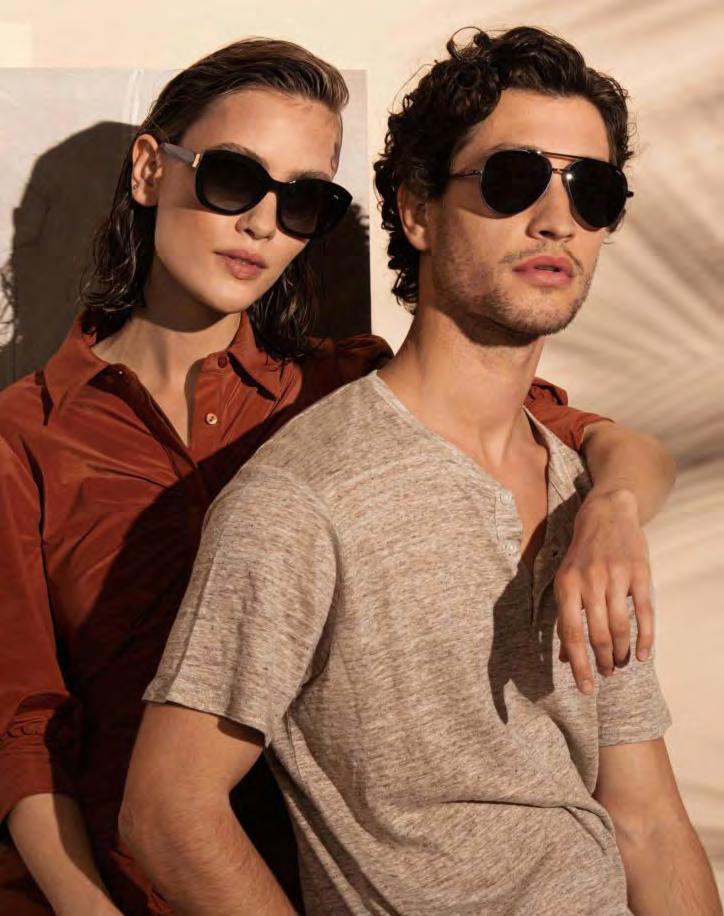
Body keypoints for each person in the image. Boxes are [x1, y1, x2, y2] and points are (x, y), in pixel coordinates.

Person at [0, 34, 674, 916]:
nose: (261, 223)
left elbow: (580, 434)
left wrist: (613, 511)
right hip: (116, 883)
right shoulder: (25, 435)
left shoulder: (339, 385)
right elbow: (23, 725)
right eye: (233, 177)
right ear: (149, 171)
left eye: (303, 199)